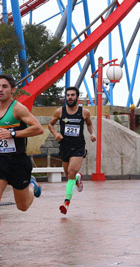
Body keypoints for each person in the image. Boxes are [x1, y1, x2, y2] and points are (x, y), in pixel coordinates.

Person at [0, 74, 44, 260]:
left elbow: (38, 128)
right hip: (0, 161)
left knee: (23, 207)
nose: (0, 89)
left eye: (4, 86)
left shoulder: (18, 109)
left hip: (18, 162)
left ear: (13, 90)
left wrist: (13, 133)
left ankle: (31, 185)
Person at [48, 86, 96, 214]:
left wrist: (92, 133)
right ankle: (77, 180)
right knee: (69, 175)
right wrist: (56, 134)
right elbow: (50, 124)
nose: (70, 97)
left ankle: (66, 203)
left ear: (77, 97)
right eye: (68, 95)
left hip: (78, 147)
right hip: (64, 146)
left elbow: (89, 124)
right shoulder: (59, 112)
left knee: (71, 171)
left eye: (72, 95)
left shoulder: (84, 112)